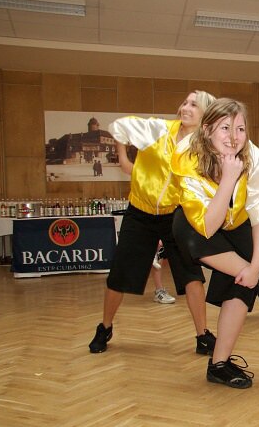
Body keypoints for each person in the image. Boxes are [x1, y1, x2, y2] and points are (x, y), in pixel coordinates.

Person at [88, 90, 217, 355]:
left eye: (194, 105)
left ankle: (203, 335)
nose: (185, 107)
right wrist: (124, 159)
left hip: (174, 215)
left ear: (206, 114)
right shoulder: (158, 129)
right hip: (139, 213)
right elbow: (119, 126)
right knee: (119, 275)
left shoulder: (202, 148)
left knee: (192, 275)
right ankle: (105, 327)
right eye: (185, 102)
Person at [171, 98, 259, 389]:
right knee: (183, 228)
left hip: (239, 221)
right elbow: (207, 226)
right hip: (201, 223)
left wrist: (255, 267)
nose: (234, 137)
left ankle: (219, 364)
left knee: (244, 283)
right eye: (225, 128)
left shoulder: (254, 157)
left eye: (240, 129)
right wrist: (229, 178)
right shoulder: (186, 156)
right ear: (206, 130)